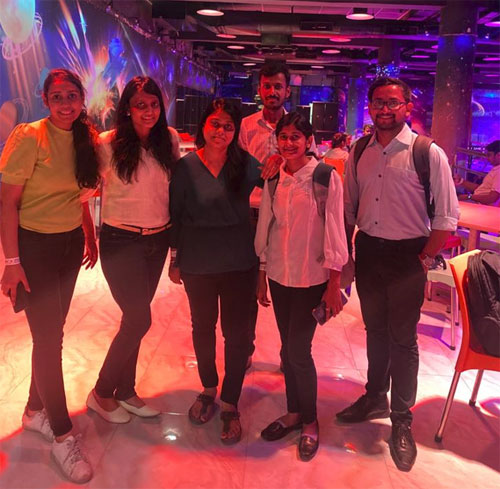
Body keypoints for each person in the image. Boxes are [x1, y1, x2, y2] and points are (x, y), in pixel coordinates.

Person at [340, 77, 459, 472]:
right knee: (374, 330)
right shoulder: (359, 150)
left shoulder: (427, 153)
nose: (385, 109)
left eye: (393, 102)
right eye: (378, 102)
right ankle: (375, 395)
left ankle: (402, 420)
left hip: (409, 255)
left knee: (403, 340)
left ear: (408, 106)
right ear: (369, 107)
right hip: (369, 250)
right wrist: (346, 256)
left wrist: (424, 258)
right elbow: (349, 207)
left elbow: (446, 218)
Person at [0, 68, 100, 483]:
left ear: (81, 99)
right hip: (35, 248)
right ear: (45, 100)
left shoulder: (84, 138)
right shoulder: (29, 136)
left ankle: (33, 410)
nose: (65, 104)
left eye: (71, 96)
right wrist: (11, 262)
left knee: (51, 332)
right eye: (57, 97)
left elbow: (79, 196)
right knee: (48, 340)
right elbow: (7, 203)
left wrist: (88, 234)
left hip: (68, 245)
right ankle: (62, 434)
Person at [168, 98, 265, 445]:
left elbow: (278, 181)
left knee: (236, 335)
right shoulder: (186, 167)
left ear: (235, 131)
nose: (221, 131)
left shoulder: (245, 164)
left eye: (228, 126)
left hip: (239, 262)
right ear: (204, 126)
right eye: (215, 124)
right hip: (198, 263)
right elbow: (176, 214)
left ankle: (231, 400)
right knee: (202, 326)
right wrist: (175, 259)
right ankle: (209, 386)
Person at [255, 112, 348, 461]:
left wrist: (334, 283)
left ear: (309, 140)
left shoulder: (324, 176)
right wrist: (262, 273)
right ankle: (294, 412)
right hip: (280, 276)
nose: (289, 142)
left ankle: (310, 420)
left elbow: (336, 229)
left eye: (296, 136)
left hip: (312, 278)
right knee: (287, 350)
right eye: (284, 136)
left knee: (298, 351)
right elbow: (267, 225)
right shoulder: (274, 177)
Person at [86, 76, 180, 423]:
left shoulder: (168, 140)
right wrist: (87, 235)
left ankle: (125, 390)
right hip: (121, 241)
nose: (149, 111)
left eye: (154, 105)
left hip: (157, 240)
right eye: (141, 105)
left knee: (133, 320)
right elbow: (84, 190)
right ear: (127, 108)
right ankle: (101, 392)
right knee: (140, 318)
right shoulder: (107, 143)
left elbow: (173, 193)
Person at [239, 61, 316, 368]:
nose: (272, 91)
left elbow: (309, 164)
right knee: (248, 289)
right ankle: (245, 349)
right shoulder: (245, 126)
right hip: (252, 214)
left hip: (288, 216)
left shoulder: (297, 126)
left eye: (278, 86)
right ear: (260, 89)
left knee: (290, 286)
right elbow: (238, 169)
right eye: (267, 86)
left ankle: (290, 354)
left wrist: (281, 159)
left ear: (287, 90)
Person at [454, 140, 500, 205]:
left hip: (480, 205)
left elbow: (491, 198)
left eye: (489, 155)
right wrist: (461, 181)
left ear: (498, 155)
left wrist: (469, 197)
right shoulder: (496, 169)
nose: (487, 158)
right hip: (476, 201)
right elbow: (481, 189)